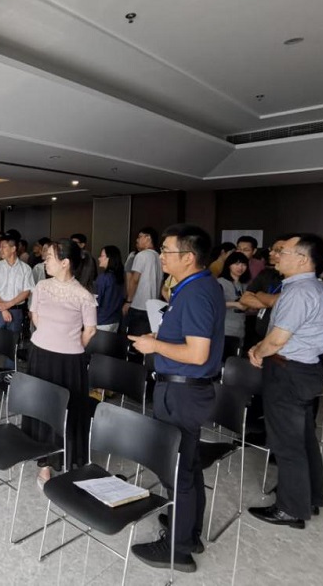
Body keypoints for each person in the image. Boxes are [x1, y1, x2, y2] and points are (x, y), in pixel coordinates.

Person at [128, 224, 224, 574]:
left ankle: (178, 549)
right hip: (184, 389)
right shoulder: (197, 286)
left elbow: (198, 354)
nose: (162, 256)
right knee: (189, 464)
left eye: (167, 250)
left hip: (183, 391)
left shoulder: (196, 292)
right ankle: (188, 531)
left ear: (188, 256)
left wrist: (154, 345)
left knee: (179, 470)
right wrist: (161, 337)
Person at [247, 233, 323, 529]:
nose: (276, 255)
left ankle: (290, 509)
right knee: (304, 438)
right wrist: (262, 348)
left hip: (288, 372)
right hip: (304, 370)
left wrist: (258, 352)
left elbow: (278, 340)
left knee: (286, 443)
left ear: (303, 259)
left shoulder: (299, 292)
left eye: (283, 251)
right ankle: (310, 496)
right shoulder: (315, 287)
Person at [26, 240, 97, 487]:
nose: (45, 261)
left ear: (65, 262)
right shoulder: (42, 286)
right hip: (40, 355)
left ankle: (65, 457)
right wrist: (51, 336)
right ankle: (44, 462)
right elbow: (35, 316)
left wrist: (69, 344)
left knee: (67, 411)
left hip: (69, 362)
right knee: (41, 407)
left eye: (49, 257)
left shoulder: (83, 295)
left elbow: (90, 330)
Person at [0, 232, 34, 350]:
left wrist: (8, 305)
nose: (0, 249)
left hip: (16, 312)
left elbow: (26, 291)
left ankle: (10, 363)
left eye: (3, 247)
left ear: (13, 249)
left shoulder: (25, 269)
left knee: (12, 346)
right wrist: (3, 308)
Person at [124, 227, 162, 337]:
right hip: (154, 306)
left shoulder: (142, 255)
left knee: (134, 339)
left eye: (140, 237)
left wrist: (128, 301)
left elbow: (135, 280)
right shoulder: (159, 257)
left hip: (139, 306)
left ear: (148, 238)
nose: (137, 240)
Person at [216, 251, 251, 344]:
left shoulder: (245, 284)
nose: (240, 267)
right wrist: (235, 304)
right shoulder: (220, 282)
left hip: (240, 329)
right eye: (236, 264)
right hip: (224, 329)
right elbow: (214, 303)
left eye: (244, 264)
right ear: (229, 265)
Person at [95, 245, 124, 332]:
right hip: (115, 320)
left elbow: (96, 301)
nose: (99, 258)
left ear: (109, 258)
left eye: (102, 256)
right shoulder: (119, 277)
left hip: (102, 321)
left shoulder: (103, 278)